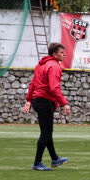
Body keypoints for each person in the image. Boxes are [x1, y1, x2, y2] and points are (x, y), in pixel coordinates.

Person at [22, 43, 71, 171]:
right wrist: (64, 103)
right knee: (46, 132)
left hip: (38, 100)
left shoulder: (40, 65)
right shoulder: (54, 66)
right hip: (44, 101)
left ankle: (55, 159)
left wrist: (29, 100)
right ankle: (37, 163)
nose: (64, 54)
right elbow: (54, 87)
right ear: (54, 54)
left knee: (47, 131)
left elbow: (33, 83)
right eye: (61, 52)